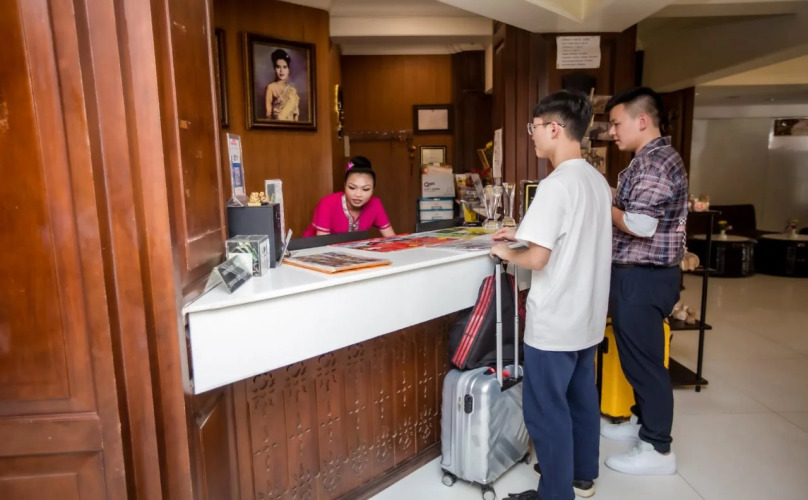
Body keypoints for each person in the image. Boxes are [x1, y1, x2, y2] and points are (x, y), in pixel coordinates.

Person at [490, 90, 612, 500]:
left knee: (546, 410)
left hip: (556, 321)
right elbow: (574, 234)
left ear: (555, 129)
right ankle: (582, 476)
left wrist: (506, 251)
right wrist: (522, 232)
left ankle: (555, 494)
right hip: (587, 318)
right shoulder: (596, 180)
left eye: (535, 127)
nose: (533, 135)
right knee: (581, 398)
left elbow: (538, 259)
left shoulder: (556, 185)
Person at [600, 87, 688, 476]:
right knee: (638, 357)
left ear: (641, 120)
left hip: (644, 275)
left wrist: (605, 205)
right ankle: (643, 423)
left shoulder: (654, 163)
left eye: (616, 123)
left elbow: (639, 224)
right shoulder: (651, 159)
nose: (612, 132)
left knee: (646, 364)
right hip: (644, 274)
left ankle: (657, 448)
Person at [303, 156, 395, 237]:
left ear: (373, 189)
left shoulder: (375, 204)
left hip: (352, 250)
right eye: (352, 188)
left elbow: (392, 239)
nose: (358, 194)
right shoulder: (328, 203)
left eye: (366, 189)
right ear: (345, 185)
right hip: (314, 249)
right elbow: (322, 244)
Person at [265, 49, 299, 121]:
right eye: (278, 67)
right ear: (274, 69)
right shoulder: (271, 87)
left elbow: (296, 116)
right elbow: (268, 115)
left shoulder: (292, 90)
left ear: (288, 70)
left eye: (284, 67)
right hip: (276, 126)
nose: (281, 70)